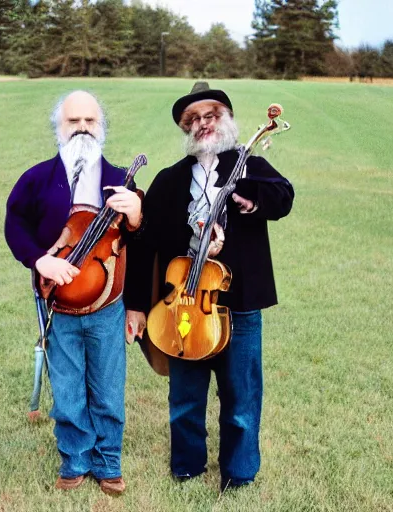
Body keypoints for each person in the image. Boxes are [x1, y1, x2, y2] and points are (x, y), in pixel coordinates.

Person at [124, 82, 294, 492]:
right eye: (193, 119)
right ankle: (186, 465)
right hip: (183, 304)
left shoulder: (248, 166)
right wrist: (136, 305)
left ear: (227, 120)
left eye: (210, 115)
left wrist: (249, 199)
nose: (202, 124)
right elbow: (144, 241)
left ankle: (239, 473)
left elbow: (283, 197)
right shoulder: (170, 179)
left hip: (239, 304)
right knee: (185, 398)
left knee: (241, 399)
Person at [5, 90, 142, 495]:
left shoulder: (121, 179)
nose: (82, 127)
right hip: (57, 305)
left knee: (107, 386)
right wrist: (38, 260)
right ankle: (74, 458)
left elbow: (141, 238)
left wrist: (135, 213)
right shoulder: (37, 178)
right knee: (66, 387)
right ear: (58, 128)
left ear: (102, 128)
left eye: (90, 120)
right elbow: (15, 225)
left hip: (107, 305)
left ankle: (108, 461)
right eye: (73, 121)